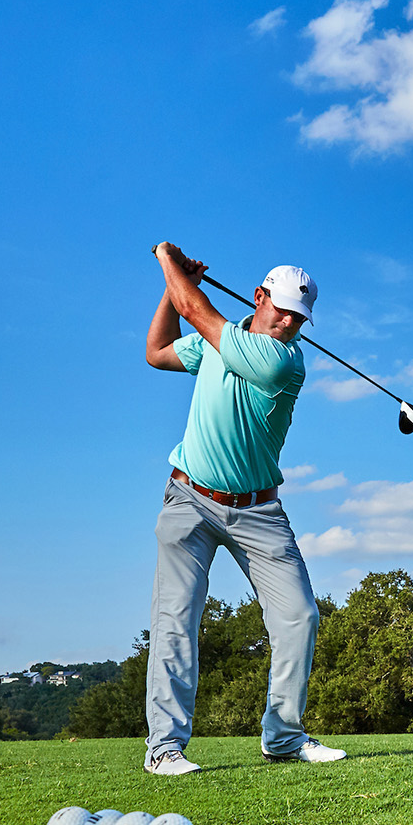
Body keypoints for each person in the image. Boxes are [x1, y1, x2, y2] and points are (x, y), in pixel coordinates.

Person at [139, 241, 346, 774]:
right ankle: (164, 748)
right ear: (259, 297)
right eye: (283, 310)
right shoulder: (218, 338)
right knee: (176, 619)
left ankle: (283, 736)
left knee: (299, 615)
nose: (289, 323)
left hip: (258, 511)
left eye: (299, 318)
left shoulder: (283, 363)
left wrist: (168, 262)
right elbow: (157, 352)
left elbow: (195, 311)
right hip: (189, 499)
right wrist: (174, 288)